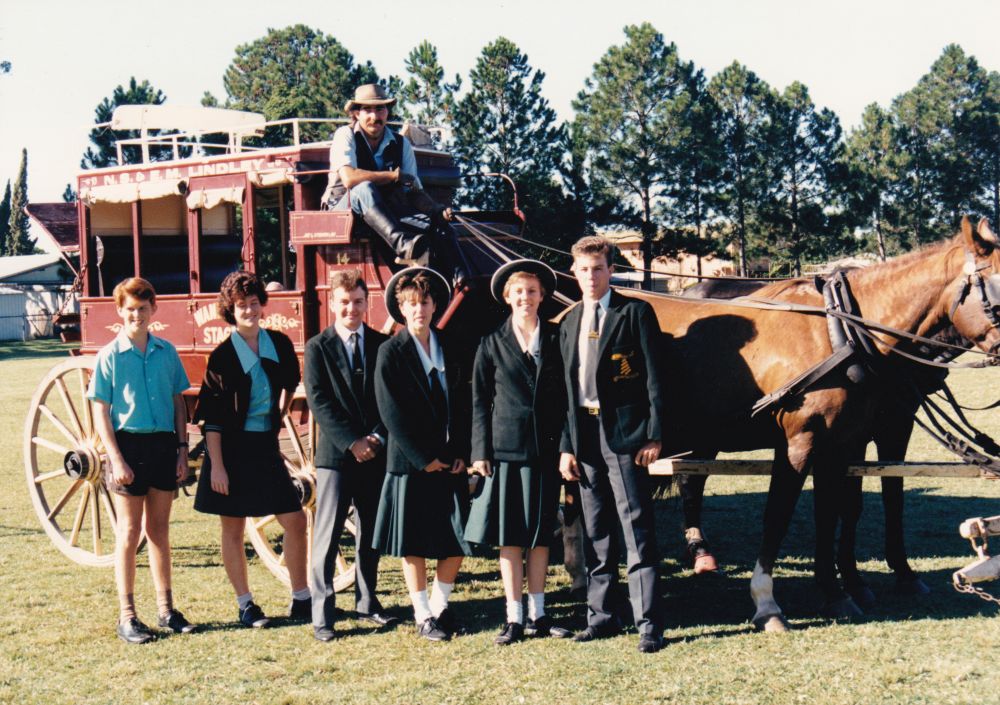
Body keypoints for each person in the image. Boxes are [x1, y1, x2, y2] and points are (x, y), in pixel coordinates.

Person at [558, 235, 667, 654]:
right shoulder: (568, 321)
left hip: (624, 435)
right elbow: (566, 392)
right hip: (583, 436)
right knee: (596, 528)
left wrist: (653, 434)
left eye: (598, 268)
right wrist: (567, 445)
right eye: (583, 269)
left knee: (635, 526)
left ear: (610, 269)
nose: (590, 276)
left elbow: (656, 379)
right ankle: (601, 616)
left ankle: (649, 623)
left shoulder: (635, 313)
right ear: (573, 271)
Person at [193, 271, 309, 629]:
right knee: (233, 527)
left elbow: (290, 382)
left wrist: (278, 414)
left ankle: (301, 597)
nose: (249, 310)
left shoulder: (279, 343)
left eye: (254, 303)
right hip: (230, 450)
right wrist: (217, 467)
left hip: (264, 446)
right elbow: (211, 419)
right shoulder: (223, 357)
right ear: (231, 309)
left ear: (262, 304)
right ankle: (245, 604)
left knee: (295, 520)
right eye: (241, 305)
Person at [466, 259, 573, 645]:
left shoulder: (559, 338)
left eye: (531, 291)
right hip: (506, 453)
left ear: (542, 296)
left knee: (540, 537)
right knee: (511, 538)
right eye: (518, 292)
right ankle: (513, 618)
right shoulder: (490, 343)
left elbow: (568, 401)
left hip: (546, 453)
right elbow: (478, 402)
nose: (525, 298)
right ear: (507, 298)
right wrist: (480, 452)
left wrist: (566, 447)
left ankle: (539, 615)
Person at [88, 277, 195, 644]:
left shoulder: (167, 352)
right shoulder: (109, 356)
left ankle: (167, 610)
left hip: (164, 446)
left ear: (154, 310)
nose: (137, 315)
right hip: (127, 447)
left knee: (160, 532)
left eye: (143, 309)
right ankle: (128, 616)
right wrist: (116, 459)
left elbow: (179, 402)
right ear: (120, 311)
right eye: (130, 309)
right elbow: (101, 412)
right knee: (129, 533)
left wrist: (182, 449)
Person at [372, 267, 471, 641]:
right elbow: (390, 411)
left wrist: (462, 449)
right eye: (411, 304)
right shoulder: (390, 352)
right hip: (411, 462)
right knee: (412, 542)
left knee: (458, 538)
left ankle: (440, 608)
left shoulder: (450, 344)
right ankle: (422, 614)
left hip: (449, 460)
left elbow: (463, 402)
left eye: (425, 303)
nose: (419, 310)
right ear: (401, 307)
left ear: (434, 305)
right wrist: (422, 457)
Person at [304, 269, 397, 643]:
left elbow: (389, 397)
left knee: (370, 533)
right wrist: (351, 442)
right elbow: (319, 401)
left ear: (366, 303)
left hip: (374, 453)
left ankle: (368, 601)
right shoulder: (317, 347)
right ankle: (323, 614)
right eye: (344, 302)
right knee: (327, 537)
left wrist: (375, 436)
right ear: (332, 302)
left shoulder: (380, 344)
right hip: (336, 456)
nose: (351, 309)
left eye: (358, 302)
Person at [321, 83, 469, 288]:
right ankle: (403, 246)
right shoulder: (345, 135)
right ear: (356, 113)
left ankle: (461, 280)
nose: (374, 116)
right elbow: (349, 179)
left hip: (385, 212)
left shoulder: (401, 144)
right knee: (364, 188)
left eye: (380, 109)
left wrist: (435, 209)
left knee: (441, 226)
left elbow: (413, 190)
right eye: (367, 110)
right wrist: (392, 176)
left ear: (387, 112)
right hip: (343, 211)